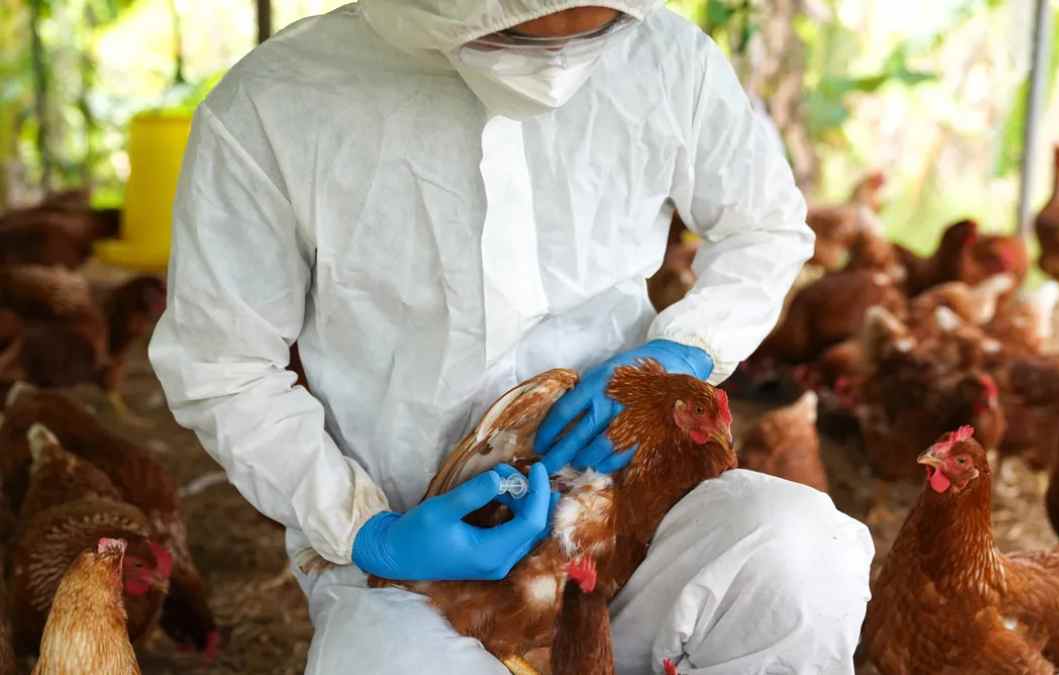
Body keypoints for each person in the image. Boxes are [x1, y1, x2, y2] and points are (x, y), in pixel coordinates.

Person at [149, 1, 874, 673]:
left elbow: (765, 226)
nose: (562, 52)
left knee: (799, 555)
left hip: (631, 514)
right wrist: (366, 529)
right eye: (522, 25)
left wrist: (686, 348)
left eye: (598, 23)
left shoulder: (667, 56)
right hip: (420, 559)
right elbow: (224, 364)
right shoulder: (276, 104)